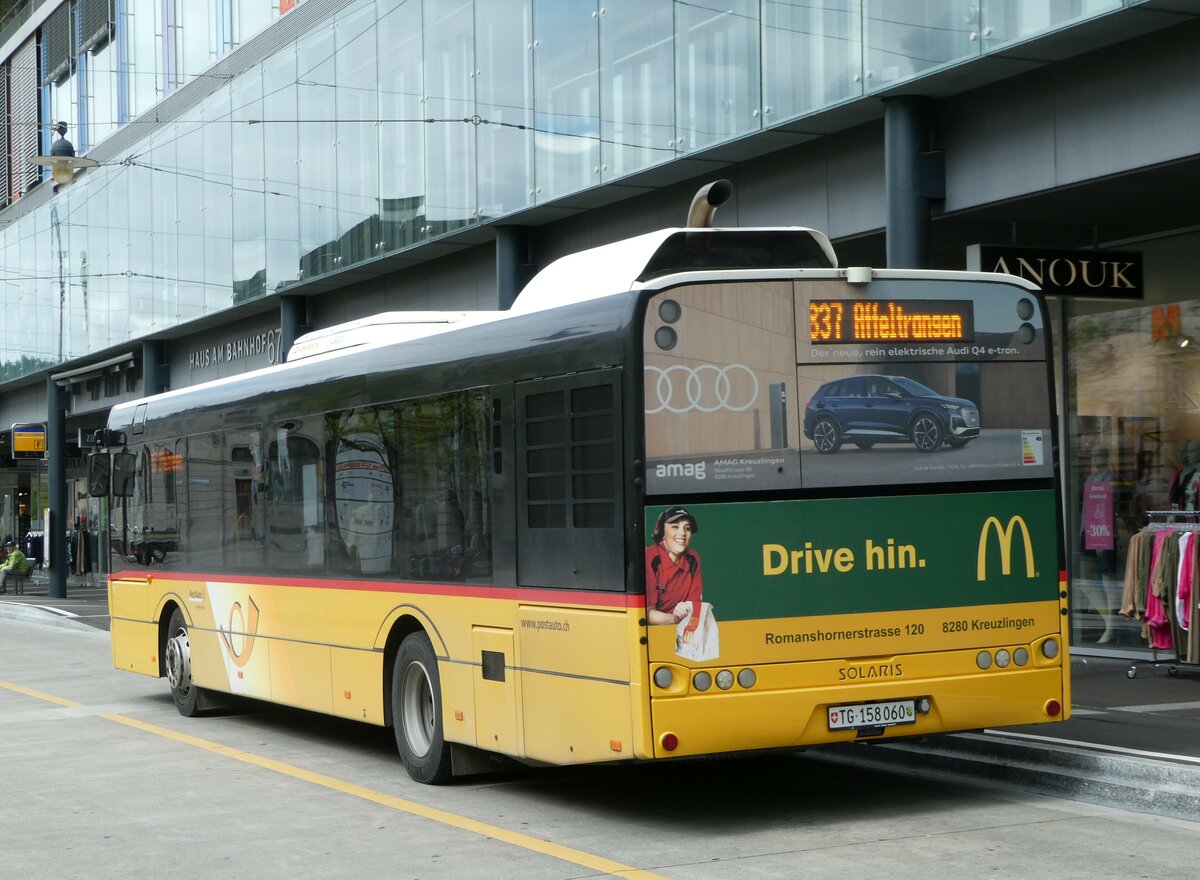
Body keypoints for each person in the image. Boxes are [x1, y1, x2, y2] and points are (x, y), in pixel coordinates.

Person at [645, 507, 704, 643]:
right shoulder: (649, 557)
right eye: (675, 527)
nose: (682, 533)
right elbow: (647, 614)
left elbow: (695, 606)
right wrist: (674, 618)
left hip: (683, 633)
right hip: (655, 636)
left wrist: (688, 612)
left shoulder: (693, 558)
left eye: (687, 528)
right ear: (662, 532)